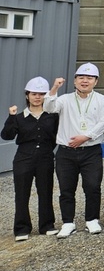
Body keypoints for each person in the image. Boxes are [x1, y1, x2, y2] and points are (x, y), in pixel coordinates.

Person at [43, 63, 104, 238]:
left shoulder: (101, 100)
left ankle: (92, 220)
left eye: (89, 78)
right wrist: (54, 88)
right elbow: (48, 108)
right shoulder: (64, 99)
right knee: (66, 188)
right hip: (66, 152)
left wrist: (86, 136)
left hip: (91, 150)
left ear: (95, 81)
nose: (85, 81)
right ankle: (68, 222)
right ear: (74, 80)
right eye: (81, 77)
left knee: (93, 186)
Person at [2, 77, 59, 240]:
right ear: (27, 95)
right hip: (23, 158)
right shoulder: (19, 117)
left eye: (41, 94)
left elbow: (56, 136)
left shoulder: (52, 116)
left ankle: (47, 225)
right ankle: (21, 228)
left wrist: (48, 150)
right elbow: (6, 135)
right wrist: (11, 117)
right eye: (34, 94)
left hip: (45, 158)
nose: (37, 97)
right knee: (21, 193)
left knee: (45, 191)